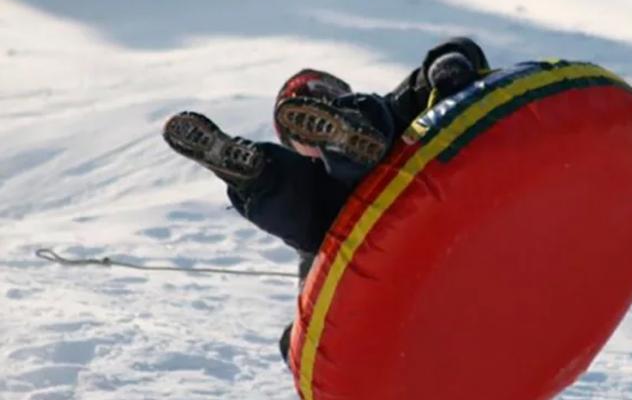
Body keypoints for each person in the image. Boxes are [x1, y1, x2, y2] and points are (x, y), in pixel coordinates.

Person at [162, 38, 490, 358]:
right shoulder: (316, 210)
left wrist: (449, 73)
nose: (308, 136)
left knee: (372, 131)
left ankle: (297, 163)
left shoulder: (397, 111)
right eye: (302, 130)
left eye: (323, 108)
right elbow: (316, 304)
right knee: (304, 210)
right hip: (366, 232)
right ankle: (257, 174)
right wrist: (294, 342)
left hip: (420, 170)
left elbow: (459, 52)